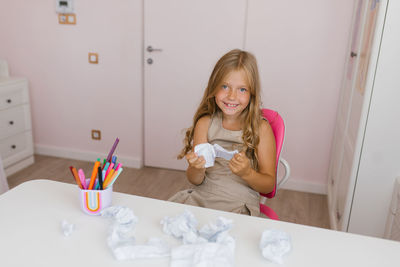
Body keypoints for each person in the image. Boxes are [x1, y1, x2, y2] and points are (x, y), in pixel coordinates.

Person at [169, 49, 276, 216]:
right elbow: (195, 180)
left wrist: (247, 173)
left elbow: (269, 185)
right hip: (201, 199)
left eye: (242, 89)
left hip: (239, 204)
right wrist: (196, 167)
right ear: (214, 87)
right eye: (225, 86)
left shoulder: (261, 128)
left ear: (252, 92)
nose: (232, 96)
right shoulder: (205, 123)